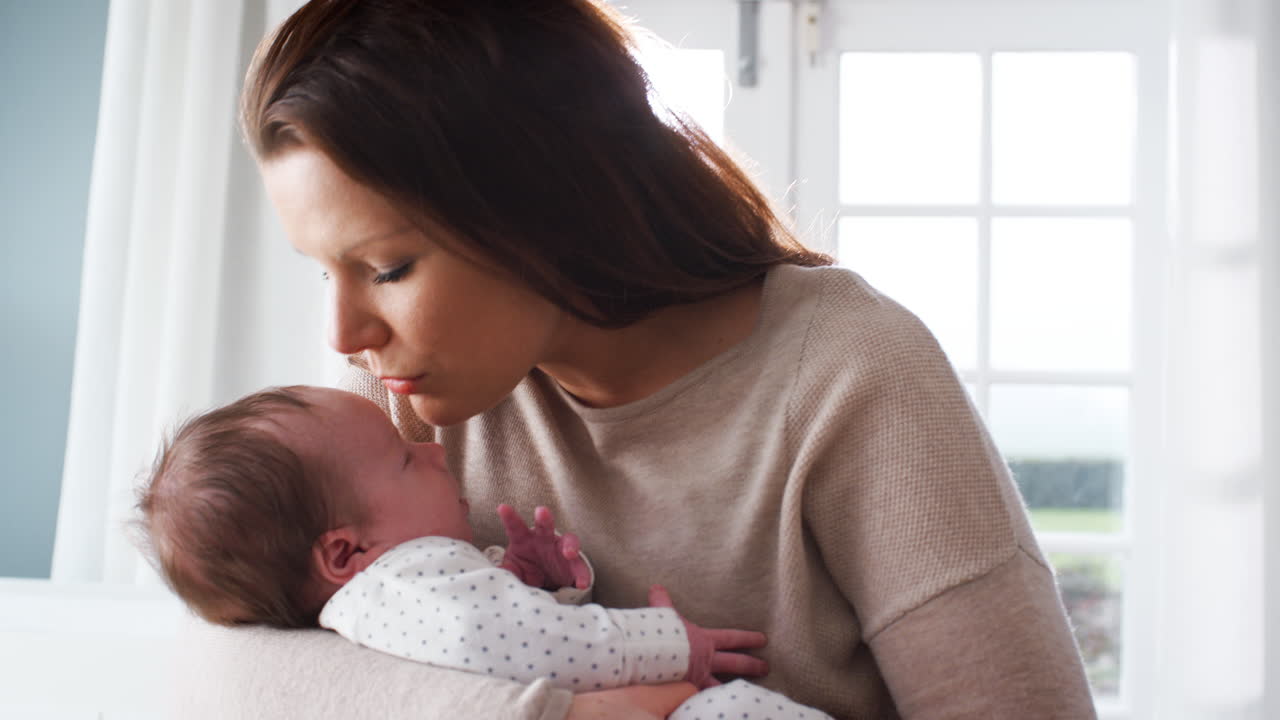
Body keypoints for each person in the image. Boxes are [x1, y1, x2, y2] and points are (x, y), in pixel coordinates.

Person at [224, 0, 1097, 717]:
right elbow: (232, 674)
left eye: (387, 268)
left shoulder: (852, 374)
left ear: (545, 200)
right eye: (325, 271)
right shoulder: (395, 398)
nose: (344, 333)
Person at [139, 384, 832, 720]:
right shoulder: (404, 583)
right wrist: (673, 645)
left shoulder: (385, 604)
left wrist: (530, 583)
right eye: (404, 460)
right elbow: (527, 643)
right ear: (346, 553)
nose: (433, 450)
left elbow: (502, 635)